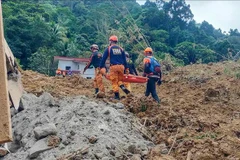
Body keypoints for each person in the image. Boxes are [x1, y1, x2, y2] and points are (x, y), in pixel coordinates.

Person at [99, 35, 130, 100]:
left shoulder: (109, 48)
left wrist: (101, 67)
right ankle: (123, 87)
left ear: (111, 41)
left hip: (114, 67)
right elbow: (124, 60)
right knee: (120, 80)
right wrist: (127, 68)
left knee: (114, 81)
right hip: (121, 67)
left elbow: (103, 59)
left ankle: (117, 96)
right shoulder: (121, 49)